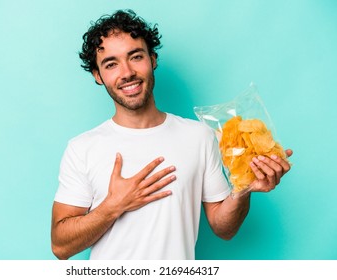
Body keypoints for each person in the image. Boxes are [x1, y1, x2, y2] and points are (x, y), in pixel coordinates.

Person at [51, 9, 292, 260]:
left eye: (136, 57)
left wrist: (243, 189)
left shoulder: (198, 136)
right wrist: (114, 206)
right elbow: (60, 246)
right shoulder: (82, 148)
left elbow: (224, 229)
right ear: (98, 76)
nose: (127, 72)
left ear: (152, 59)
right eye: (111, 64)